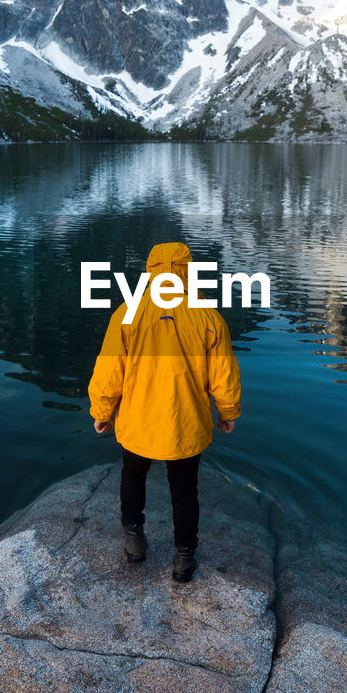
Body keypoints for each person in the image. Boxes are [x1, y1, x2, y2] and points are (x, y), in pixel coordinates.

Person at [88, 241, 241, 583]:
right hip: (186, 422)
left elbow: (110, 370)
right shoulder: (208, 316)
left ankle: (134, 542)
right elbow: (224, 375)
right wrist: (228, 411)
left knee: (132, 475)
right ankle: (183, 559)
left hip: (138, 419)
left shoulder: (128, 312)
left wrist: (102, 410)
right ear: (188, 270)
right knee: (185, 491)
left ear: (151, 270)